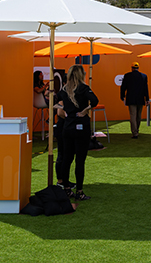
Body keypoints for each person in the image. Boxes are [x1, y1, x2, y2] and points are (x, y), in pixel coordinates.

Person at [56, 64, 97, 201]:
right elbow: (95, 101)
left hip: (68, 127)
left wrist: (65, 109)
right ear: (81, 75)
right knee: (80, 160)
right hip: (81, 128)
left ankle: (67, 189)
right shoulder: (84, 88)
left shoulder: (64, 89)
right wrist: (86, 110)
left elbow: (52, 102)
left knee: (67, 158)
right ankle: (79, 191)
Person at [120, 62, 150, 138]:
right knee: (139, 116)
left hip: (131, 98)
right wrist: (147, 99)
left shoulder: (127, 76)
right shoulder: (144, 76)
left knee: (133, 116)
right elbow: (145, 88)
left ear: (132, 68)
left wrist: (122, 96)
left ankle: (135, 132)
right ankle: (137, 130)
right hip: (140, 99)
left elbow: (123, 87)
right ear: (138, 68)